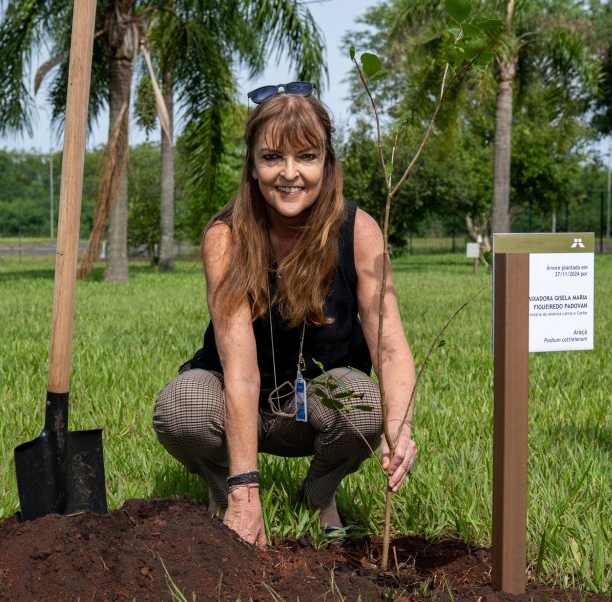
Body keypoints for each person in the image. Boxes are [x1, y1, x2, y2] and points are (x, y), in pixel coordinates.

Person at [153, 82, 417, 547]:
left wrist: (400, 425)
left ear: (327, 164)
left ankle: (318, 496)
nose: (289, 173)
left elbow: (391, 348)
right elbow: (238, 372)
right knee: (180, 408)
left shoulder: (358, 231)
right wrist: (244, 490)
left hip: (314, 405)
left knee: (364, 404)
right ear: (252, 167)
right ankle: (224, 494)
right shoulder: (226, 236)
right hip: (237, 405)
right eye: (272, 157)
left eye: (307, 157)